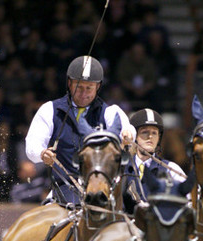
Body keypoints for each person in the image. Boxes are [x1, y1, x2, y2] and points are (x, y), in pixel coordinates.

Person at [24, 55, 135, 205]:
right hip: (65, 186)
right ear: (69, 84)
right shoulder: (49, 110)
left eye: (89, 88)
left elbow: (127, 129)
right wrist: (42, 154)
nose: (83, 94)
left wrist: (128, 135)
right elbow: (32, 145)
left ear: (98, 86)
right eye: (79, 87)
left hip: (103, 186)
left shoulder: (110, 112)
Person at [125, 108, 190, 213]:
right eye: (145, 132)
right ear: (135, 136)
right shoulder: (120, 168)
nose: (150, 137)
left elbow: (189, 201)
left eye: (154, 133)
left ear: (159, 138)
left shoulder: (172, 169)